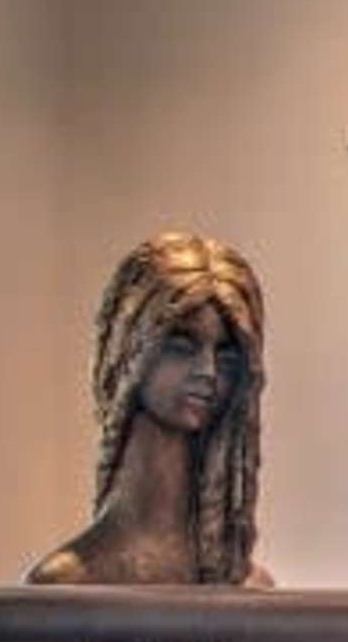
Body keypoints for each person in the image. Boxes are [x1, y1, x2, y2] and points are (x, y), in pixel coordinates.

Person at [27, 231, 268, 585]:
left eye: (225, 353)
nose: (208, 370)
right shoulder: (70, 579)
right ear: (130, 348)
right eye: (182, 346)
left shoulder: (247, 583)